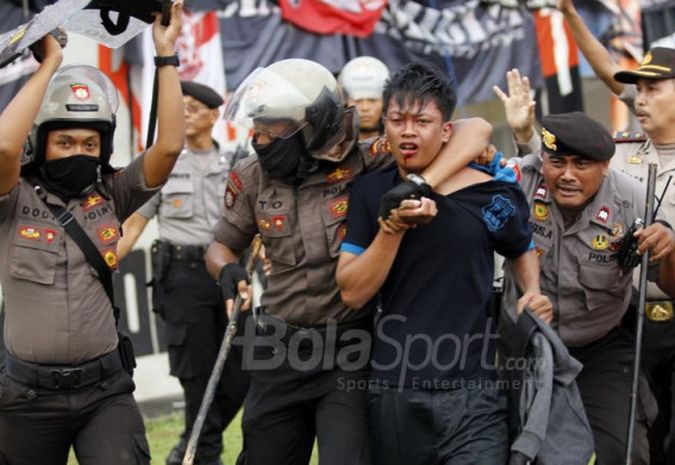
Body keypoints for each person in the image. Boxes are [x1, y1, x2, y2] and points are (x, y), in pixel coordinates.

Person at [204, 58, 494, 465]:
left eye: (275, 130)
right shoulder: (251, 174)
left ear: (314, 124)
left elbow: (476, 129)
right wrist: (226, 270)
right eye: (258, 129)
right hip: (276, 347)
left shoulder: (366, 159)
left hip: (348, 349)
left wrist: (420, 183)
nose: (261, 140)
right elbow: (220, 246)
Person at [334, 62, 551, 465]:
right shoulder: (370, 190)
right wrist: (392, 226)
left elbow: (521, 245)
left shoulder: (490, 192)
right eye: (397, 120)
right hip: (395, 387)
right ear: (384, 126)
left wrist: (533, 292)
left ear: (446, 130)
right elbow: (352, 291)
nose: (408, 131)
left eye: (422, 121)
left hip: (475, 392)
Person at [0, 4, 184, 465]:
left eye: (90, 143)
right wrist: (49, 67)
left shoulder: (112, 193)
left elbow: (169, 146)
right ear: (40, 142)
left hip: (105, 394)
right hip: (25, 399)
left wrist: (165, 55)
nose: (79, 152)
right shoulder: (12, 197)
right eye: (64, 142)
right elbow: (3, 146)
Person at [494, 72, 675, 465]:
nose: (566, 175)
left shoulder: (633, 199)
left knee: (620, 450)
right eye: (557, 162)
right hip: (525, 344)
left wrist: (670, 252)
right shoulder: (518, 180)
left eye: (581, 164)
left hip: (600, 348)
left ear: (605, 165)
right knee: (519, 450)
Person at [117, 80, 250, 465]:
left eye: (195, 107)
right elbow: (133, 225)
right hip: (182, 277)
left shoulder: (237, 165)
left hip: (230, 276)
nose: (186, 112)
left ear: (214, 115)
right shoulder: (164, 163)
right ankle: (204, 456)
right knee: (197, 379)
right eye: (182, 106)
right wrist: (102, 258)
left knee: (244, 373)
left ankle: (186, 448)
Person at [338, 56, 390, 140]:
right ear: (345, 102)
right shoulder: (333, 149)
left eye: (372, 100)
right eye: (357, 101)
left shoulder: (396, 148)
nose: (365, 108)